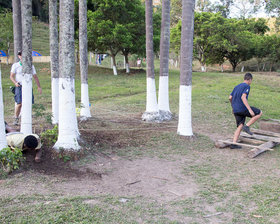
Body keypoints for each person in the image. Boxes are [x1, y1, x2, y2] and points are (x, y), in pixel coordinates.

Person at [229, 73, 262, 149]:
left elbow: (230, 97)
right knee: (259, 112)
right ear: (249, 79)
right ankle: (247, 127)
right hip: (242, 108)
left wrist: (233, 107)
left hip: (236, 110)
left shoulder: (236, 86)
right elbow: (243, 97)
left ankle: (234, 143)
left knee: (240, 125)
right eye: (251, 80)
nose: (251, 82)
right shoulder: (247, 86)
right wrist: (249, 110)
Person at [10, 51, 42, 125]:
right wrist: (15, 82)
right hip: (19, 86)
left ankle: (27, 118)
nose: (22, 57)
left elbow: (35, 76)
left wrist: (39, 86)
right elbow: (11, 76)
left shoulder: (30, 66)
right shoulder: (15, 65)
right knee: (19, 103)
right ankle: (16, 118)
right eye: (21, 55)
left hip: (27, 86)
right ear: (19, 56)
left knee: (28, 103)